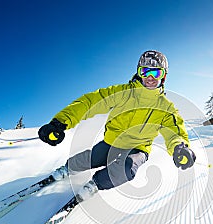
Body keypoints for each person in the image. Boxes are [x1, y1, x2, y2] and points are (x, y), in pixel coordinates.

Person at [38, 50, 196, 201]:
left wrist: (179, 148)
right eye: (145, 71)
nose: (150, 77)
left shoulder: (166, 108)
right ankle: (67, 169)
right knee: (89, 159)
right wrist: (60, 122)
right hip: (113, 142)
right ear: (139, 72)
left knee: (127, 169)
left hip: (139, 148)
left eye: (156, 72)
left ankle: (95, 185)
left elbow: (174, 132)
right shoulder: (122, 93)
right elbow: (90, 102)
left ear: (164, 77)